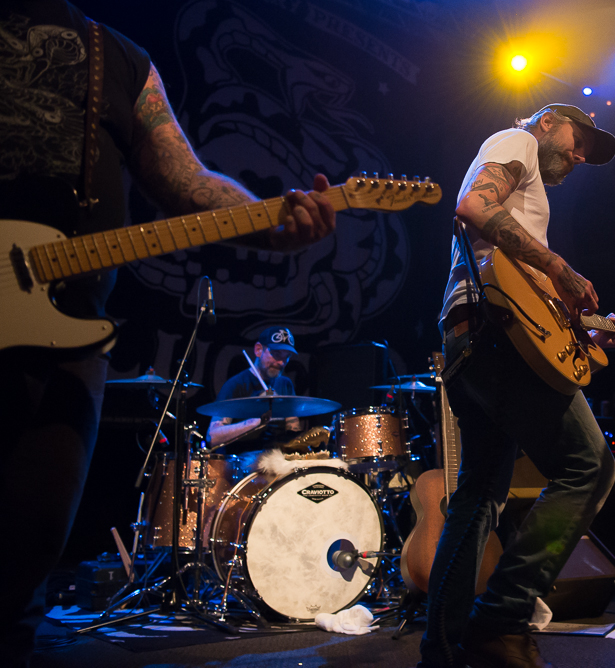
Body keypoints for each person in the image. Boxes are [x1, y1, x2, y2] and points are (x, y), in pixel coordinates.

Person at [0, 2, 336, 664]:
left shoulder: (116, 56)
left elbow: (188, 183)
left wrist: (273, 225)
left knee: (30, 539)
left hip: (65, 332)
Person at [418, 104, 615, 668]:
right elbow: (474, 205)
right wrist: (560, 267)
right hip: (497, 336)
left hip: (473, 337)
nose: (580, 156)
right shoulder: (518, 143)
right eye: (579, 140)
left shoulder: (529, 190)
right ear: (547, 121)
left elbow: (528, 295)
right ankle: (502, 618)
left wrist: (589, 333)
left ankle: (442, 652)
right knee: (590, 466)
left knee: (477, 499)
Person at [207, 325, 303, 454]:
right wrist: (255, 422)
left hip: (278, 459)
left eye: (287, 356)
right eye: (276, 354)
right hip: (243, 460)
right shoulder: (236, 384)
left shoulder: (285, 384)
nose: (282, 362)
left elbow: (293, 428)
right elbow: (213, 437)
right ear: (258, 350)